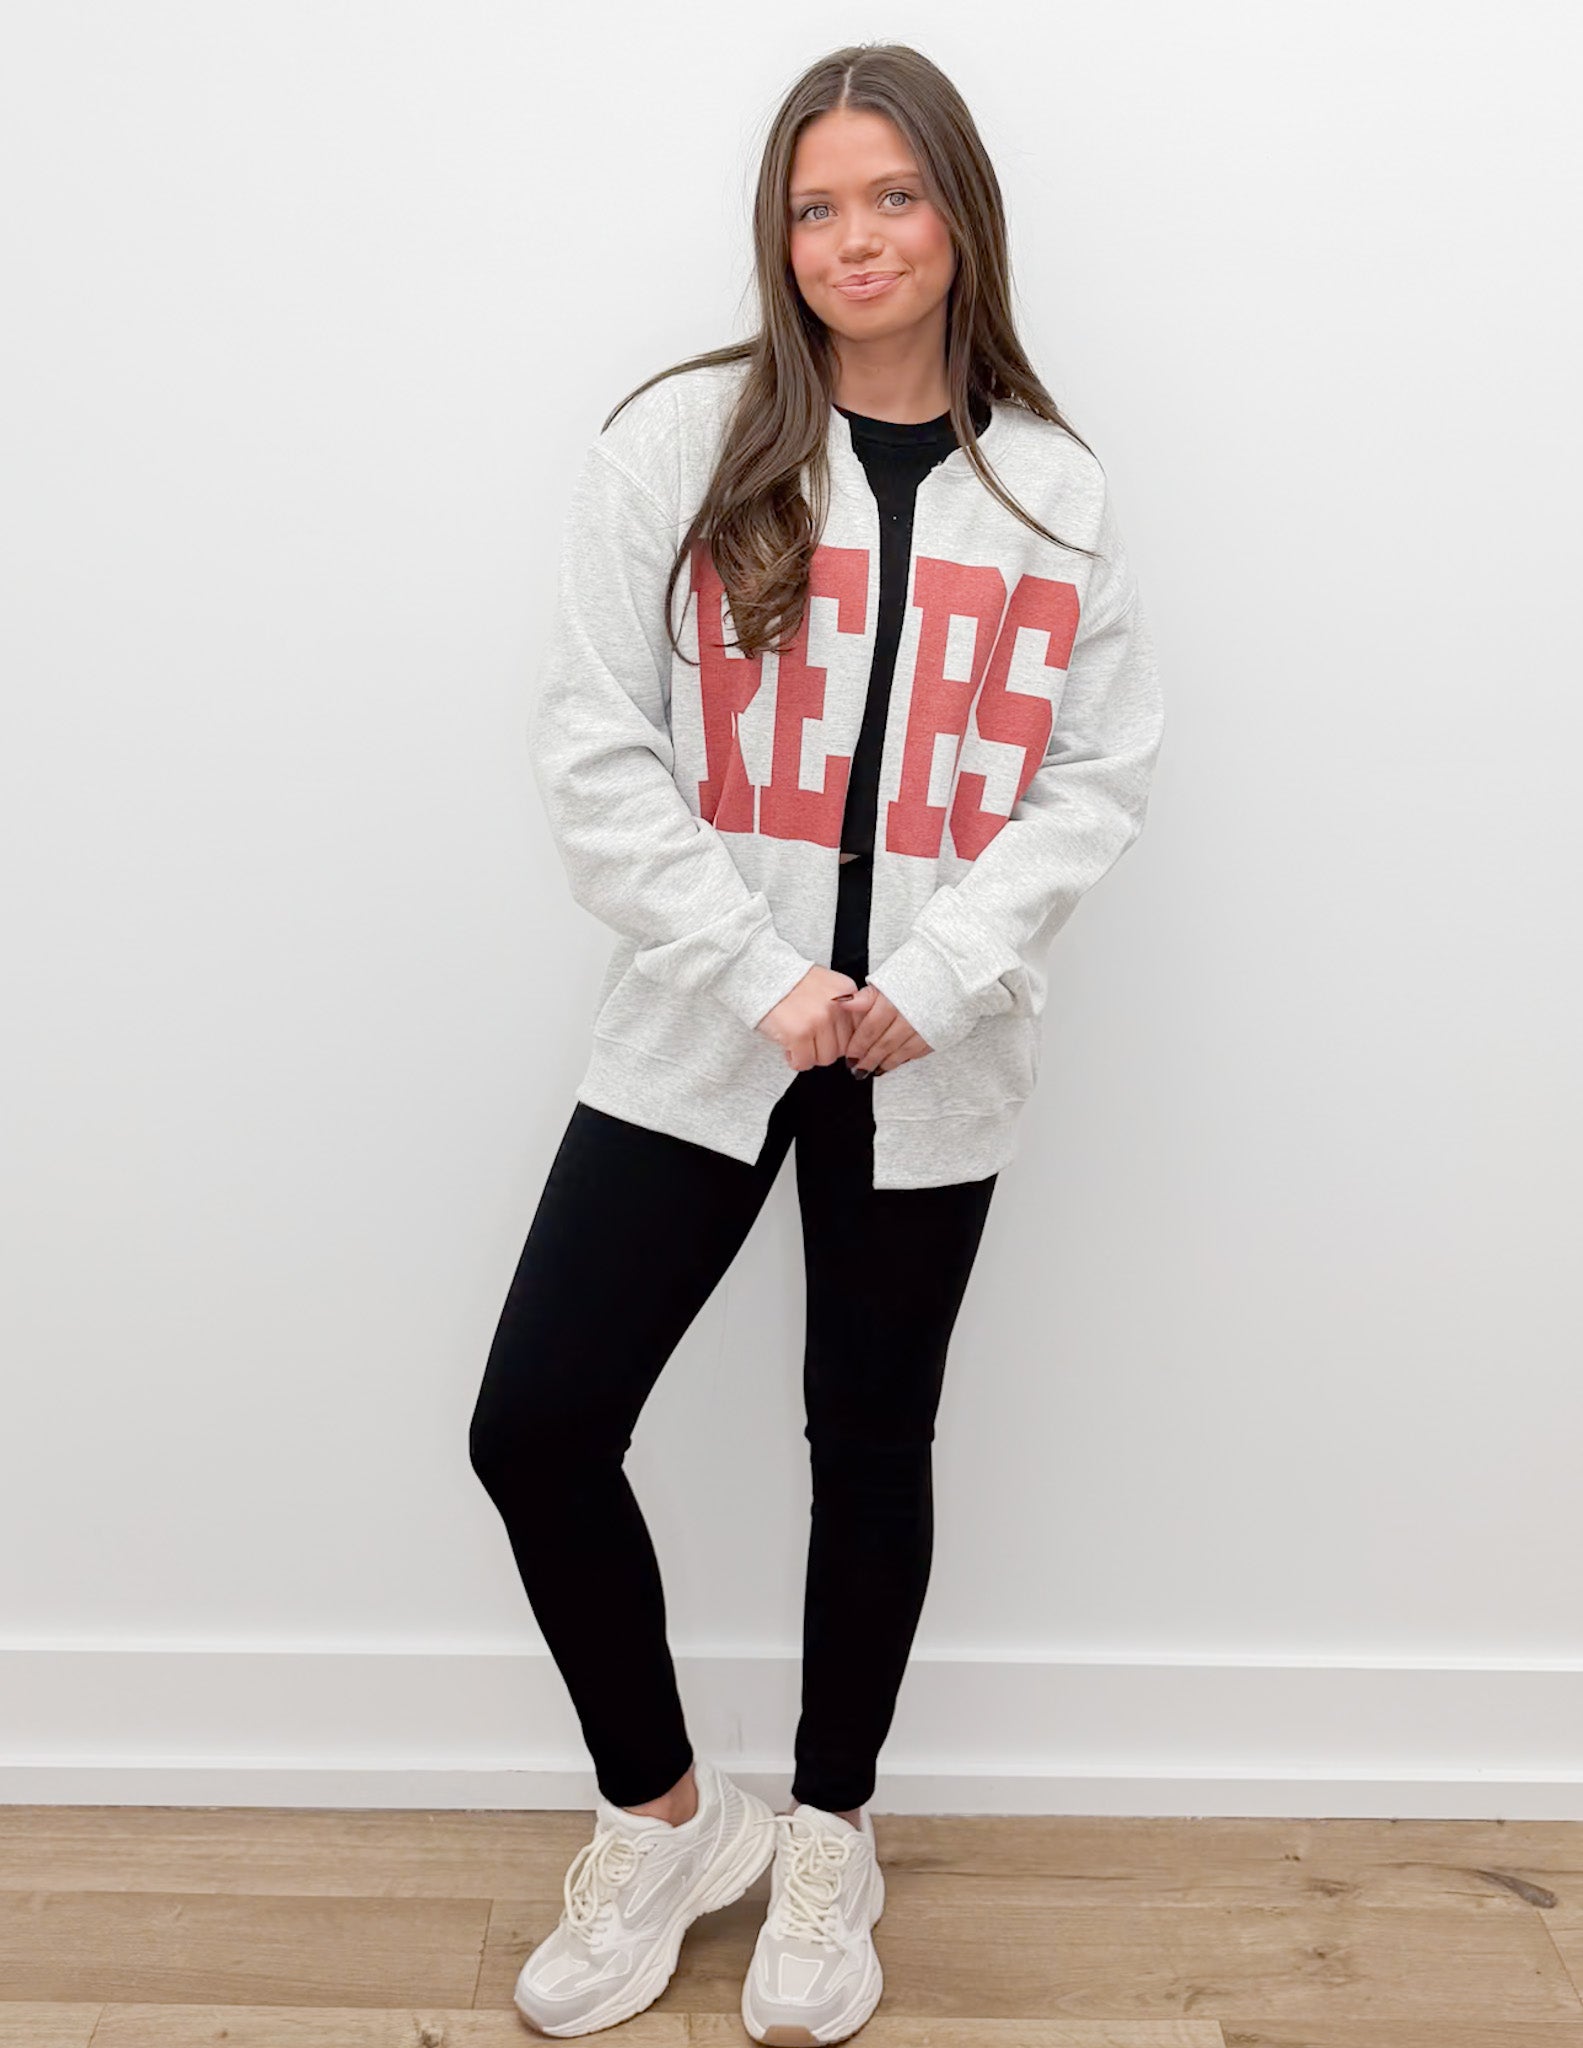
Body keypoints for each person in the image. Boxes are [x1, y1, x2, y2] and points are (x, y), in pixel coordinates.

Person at [469, 39, 1163, 2046]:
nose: (856, 238)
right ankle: (670, 1818)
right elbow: (594, 745)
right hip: (708, 1027)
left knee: (868, 1448)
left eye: (893, 195)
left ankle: (833, 1832)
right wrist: (757, 971)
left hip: (930, 1057)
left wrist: (933, 976)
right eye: (815, 206)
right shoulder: (685, 442)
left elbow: (1095, 777)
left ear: (960, 214)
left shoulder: (1055, 491)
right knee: (537, 1423)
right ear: (779, 236)